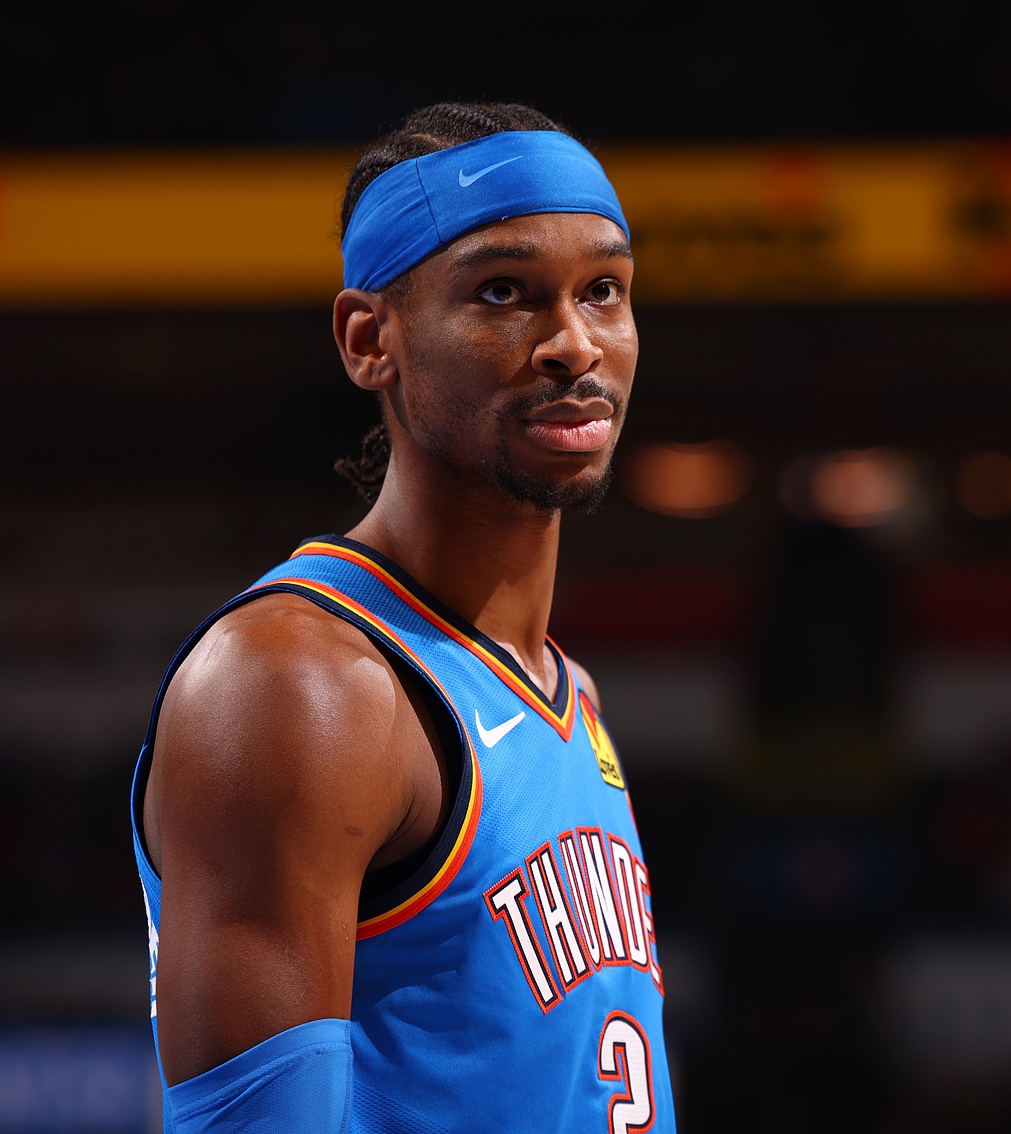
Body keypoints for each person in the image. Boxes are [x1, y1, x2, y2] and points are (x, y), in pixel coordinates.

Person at [129, 102, 672, 1132]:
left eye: (603, 290)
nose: (572, 344)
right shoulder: (299, 686)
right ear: (369, 339)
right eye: (503, 292)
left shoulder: (569, 693)